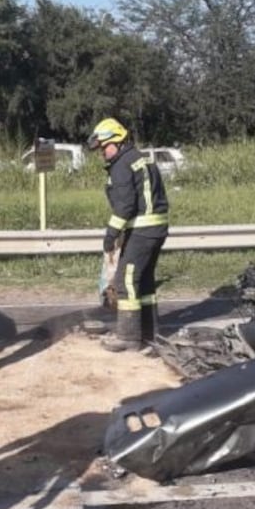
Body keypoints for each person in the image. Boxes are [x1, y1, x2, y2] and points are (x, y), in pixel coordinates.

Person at [88, 118, 169, 352]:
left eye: (105, 147)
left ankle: (129, 337)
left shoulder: (122, 164)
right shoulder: (142, 159)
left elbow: (125, 206)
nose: (103, 153)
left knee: (126, 280)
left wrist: (111, 234)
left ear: (118, 141)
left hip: (142, 230)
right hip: (157, 228)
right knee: (144, 282)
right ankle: (150, 334)